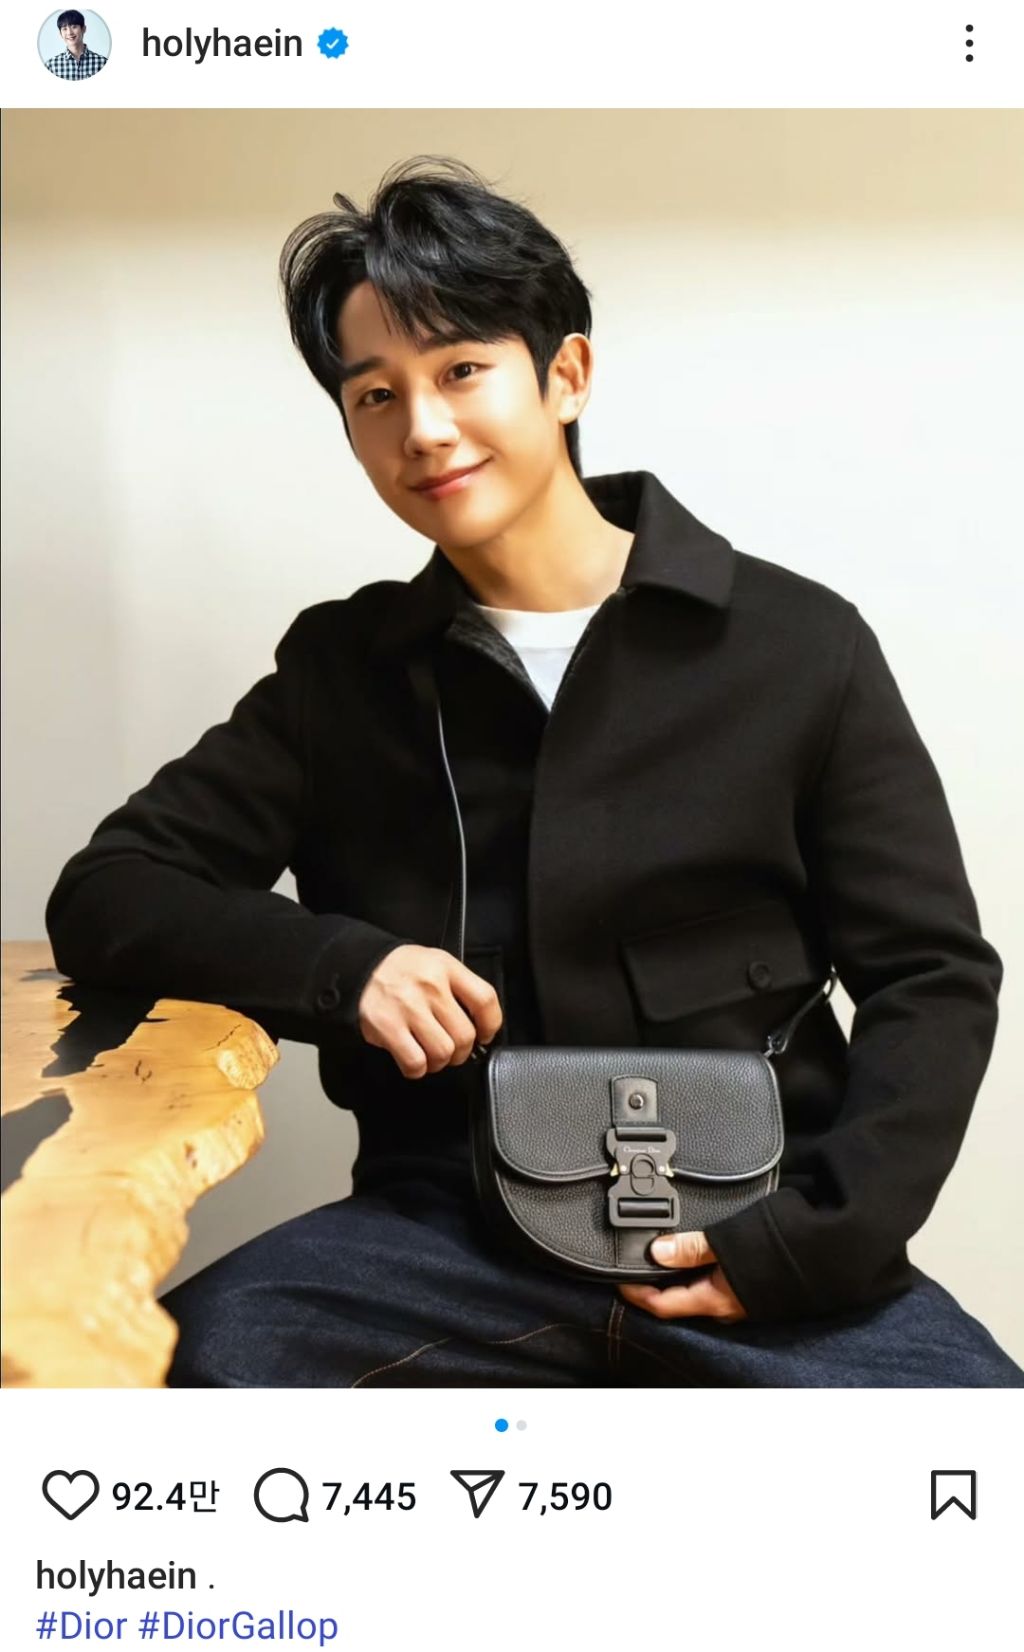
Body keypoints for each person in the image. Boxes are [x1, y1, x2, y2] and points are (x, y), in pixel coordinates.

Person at [46, 157, 1022, 1387]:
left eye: (460, 370)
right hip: (437, 1243)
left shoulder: (797, 646)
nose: (422, 428)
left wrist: (809, 1240)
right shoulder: (342, 671)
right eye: (374, 394)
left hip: (763, 1232)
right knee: (150, 1391)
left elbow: (932, 977)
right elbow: (110, 890)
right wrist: (345, 965)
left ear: (565, 375)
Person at [44, 11, 108, 80]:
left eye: (74, 27)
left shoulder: (102, 63)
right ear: (60, 34)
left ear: (83, 29)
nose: (69, 33)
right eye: (65, 29)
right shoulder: (51, 66)